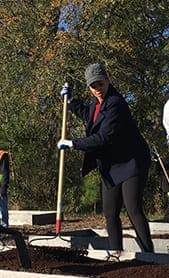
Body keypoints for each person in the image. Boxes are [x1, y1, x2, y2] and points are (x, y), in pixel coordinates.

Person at [58, 63, 154, 258]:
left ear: (108, 80)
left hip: (131, 162)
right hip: (111, 166)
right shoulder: (97, 102)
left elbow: (103, 137)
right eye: (93, 86)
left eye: (100, 84)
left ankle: (149, 255)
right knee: (110, 212)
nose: (97, 89)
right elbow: (90, 118)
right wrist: (71, 101)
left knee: (132, 208)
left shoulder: (116, 103)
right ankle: (116, 254)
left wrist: (73, 143)